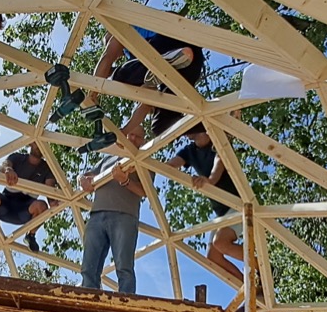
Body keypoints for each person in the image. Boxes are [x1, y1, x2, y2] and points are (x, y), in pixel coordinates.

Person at [87, 21, 205, 137]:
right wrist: (124, 132)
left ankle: (162, 61)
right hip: (190, 64)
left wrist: (92, 94)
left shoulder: (123, 31)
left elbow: (107, 58)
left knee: (118, 77)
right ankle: (212, 123)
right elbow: (147, 100)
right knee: (161, 126)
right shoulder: (139, 67)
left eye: (107, 43)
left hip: (169, 41)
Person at [164, 123, 245, 281]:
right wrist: (149, 166)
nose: (185, 132)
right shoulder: (189, 151)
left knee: (220, 242)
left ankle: (263, 269)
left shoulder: (217, 143)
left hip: (236, 203)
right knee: (213, 257)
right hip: (221, 212)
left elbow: (218, 165)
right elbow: (171, 165)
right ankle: (248, 287)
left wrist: (209, 181)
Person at [78, 128, 150, 294]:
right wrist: (81, 179)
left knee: (124, 266)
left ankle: (126, 303)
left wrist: (125, 181)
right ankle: (88, 301)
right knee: (89, 266)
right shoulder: (108, 158)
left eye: (137, 136)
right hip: (97, 215)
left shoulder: (144, 161)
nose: (132, 137)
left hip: (124, 216)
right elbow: (87, 174)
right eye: (130, 134)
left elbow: (145, 191)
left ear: (143, 141)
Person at [0, 145, 59, 252]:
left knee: (42, 206)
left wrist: (53, 201)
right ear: (31, 143)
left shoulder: (47, 168)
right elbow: (3, 165)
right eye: (37, 144)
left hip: (26, 209)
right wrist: (8, 169)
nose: (39, 147)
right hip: (6, 203)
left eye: (43, 144)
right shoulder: (17, 158)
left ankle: (31, 236)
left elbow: (50, 187)